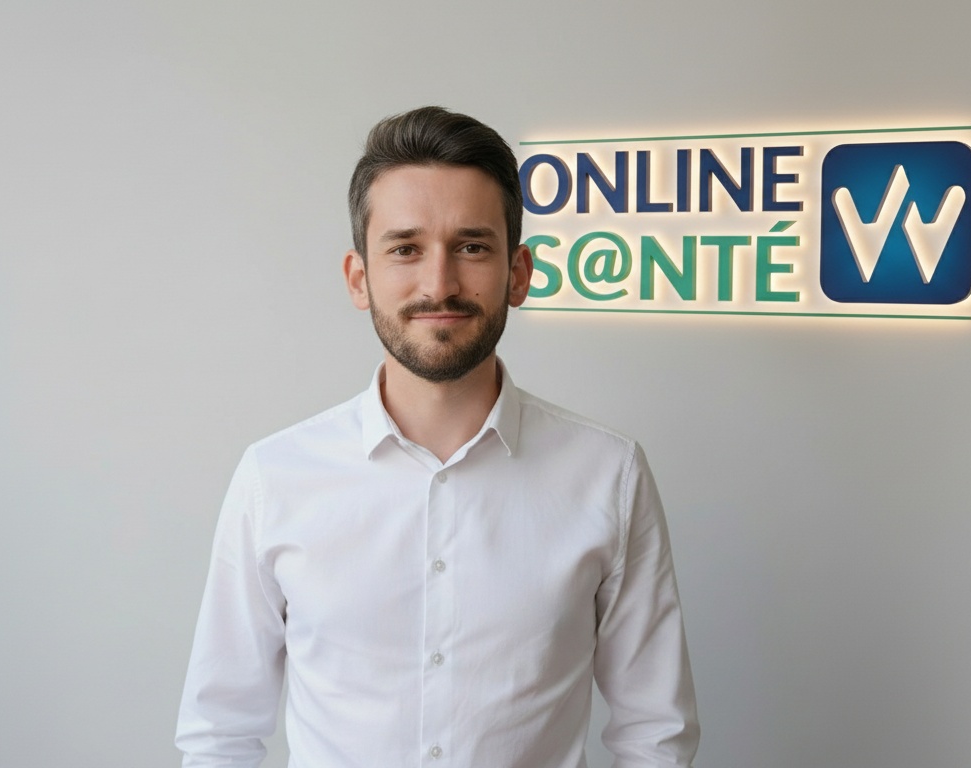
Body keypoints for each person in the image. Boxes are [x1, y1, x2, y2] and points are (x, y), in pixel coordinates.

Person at [175, 106, 699, 768]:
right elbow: (220, 733)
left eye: (472, 247)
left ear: (518, 273)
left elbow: (654, 732)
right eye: (405, 249)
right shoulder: (274, 477)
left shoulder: (608, 474)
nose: (439, 285)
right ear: (359, 278)